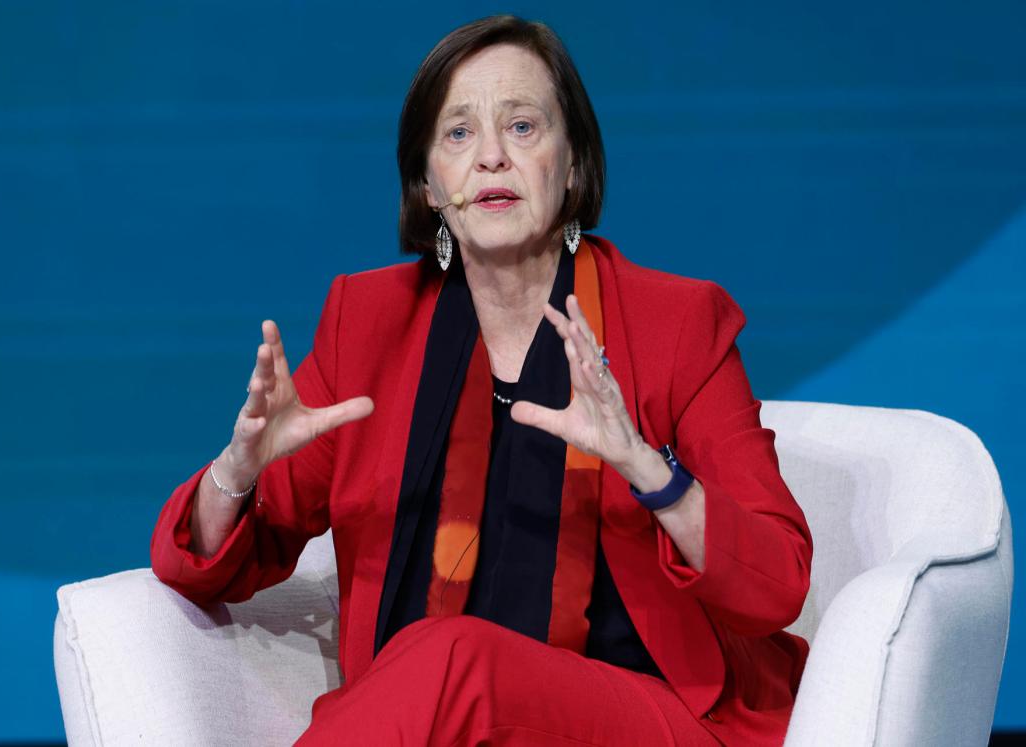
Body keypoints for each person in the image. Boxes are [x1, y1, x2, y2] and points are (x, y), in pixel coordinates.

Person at [151, 14, 813, 746]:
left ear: (574, 165)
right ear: (429, 184)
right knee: (444, 663)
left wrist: (648, 470)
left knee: (456, 655)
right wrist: (237, 472)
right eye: (459, 134)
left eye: (523, 127)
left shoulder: (678, 324)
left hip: (650, 716)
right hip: (437, 719)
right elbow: (202, 566)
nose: (492, 157)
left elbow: (777, 582)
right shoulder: (368, 326)